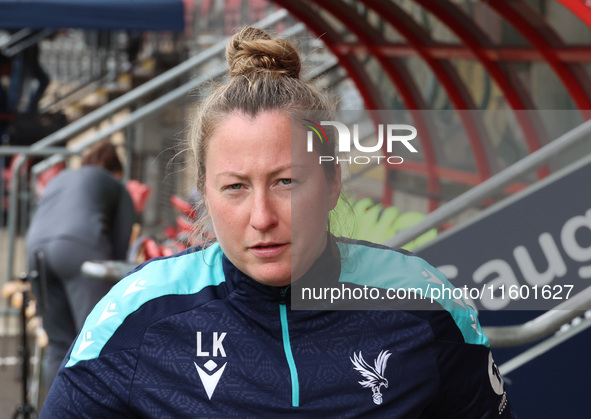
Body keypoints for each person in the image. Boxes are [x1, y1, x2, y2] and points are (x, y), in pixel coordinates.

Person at [40, 28, 514, 418]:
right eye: (235, 188)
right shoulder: (137, 316)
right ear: (204, 192)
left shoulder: (422, 302)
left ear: (331, 182)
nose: (262, 218)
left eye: (286, 182)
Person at [26, 141, 135, 390]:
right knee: (94, 340)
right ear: (117, 172)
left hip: (35, 249)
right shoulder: (115, 185)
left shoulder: (63, 177)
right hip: (79, 249)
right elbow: (118, 254)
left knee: (58, 342)